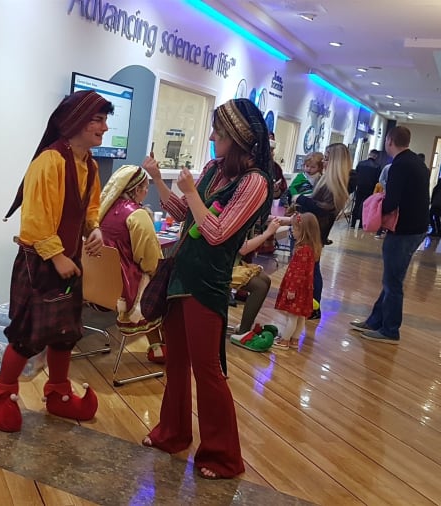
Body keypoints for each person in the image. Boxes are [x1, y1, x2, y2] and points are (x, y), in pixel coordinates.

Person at [140, 98, 273, 480]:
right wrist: (158, 179)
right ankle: (173, 432)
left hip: (208, 283)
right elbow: (183, 214)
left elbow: (216, 233)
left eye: (218, 131)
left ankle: (223, 456)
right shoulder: (215, 169)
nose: (212, 137)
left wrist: (192, 194)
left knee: (208, 369)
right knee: (176, 362)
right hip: (181, 276)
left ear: (237, 137)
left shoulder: (255, 183)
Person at [0, 90, 112, 432]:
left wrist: (94, 229)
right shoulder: (49, 162)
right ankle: (0, 393)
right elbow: (35, 218)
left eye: (105, 120)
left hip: (68, 261)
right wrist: (57, 256)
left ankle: (58, 393)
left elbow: (90, 209)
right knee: (27, 334)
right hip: (40, 264)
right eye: (97, 120)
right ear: (75, 121)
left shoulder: (90, 165)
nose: (104, 128)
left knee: (65, 333)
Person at [351, 126, 430, 343]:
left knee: (393, 282)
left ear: (389, 141)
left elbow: (392, 201)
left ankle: (390, 330)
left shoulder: (400, 165)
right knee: (391, 279)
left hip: (404, 230)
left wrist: (375, 209)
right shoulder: (416, 162)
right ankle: (376, 320)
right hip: (415, 228)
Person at [98, 165, 166, 363]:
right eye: (146, 188)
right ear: (136, 189)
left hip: (98, 284)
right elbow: (151, 260)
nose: (146, 192)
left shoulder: (104, 209)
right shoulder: (136, 215)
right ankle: (160, 347)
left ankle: (158, 346)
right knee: (166, 283)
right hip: (124, 285)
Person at [290, 143, 352, 320]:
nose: (323, 162)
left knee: (311, 270)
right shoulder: (326, 181)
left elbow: (323, 209)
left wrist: (300, 199)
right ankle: (308, 305)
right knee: (308, 269)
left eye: (326, 158)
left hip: (314, 233)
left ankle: (313, 306)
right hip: (310, 230)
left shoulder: (334, 185)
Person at [270, 212, 322, 349]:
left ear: (304, 231)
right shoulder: (312, 248)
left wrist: (291, 289)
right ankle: (294, 340)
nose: (292, 231)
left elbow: (298, 272)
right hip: (305, 289)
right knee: (300, 316)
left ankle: (284, 340)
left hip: (296, 288)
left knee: (292, 316)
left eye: (295, 228)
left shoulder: (302, 250)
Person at [229, 221, 280, 338]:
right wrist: (267, 233)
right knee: (259, 287)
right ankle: (243, 333)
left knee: (266, 280)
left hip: (232, 262)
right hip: (220, 265)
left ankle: (245, 327)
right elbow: (243, 249)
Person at [350, 149, 382, 228]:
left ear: (369, 154)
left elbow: (356, 175)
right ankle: (361, 224)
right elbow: (378, 180)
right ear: (376, 156)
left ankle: (353, 223)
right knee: (366, 206)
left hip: (359, 187)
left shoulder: (360, 163)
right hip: (370, 189)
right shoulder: (377, 166)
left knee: (357, 204)